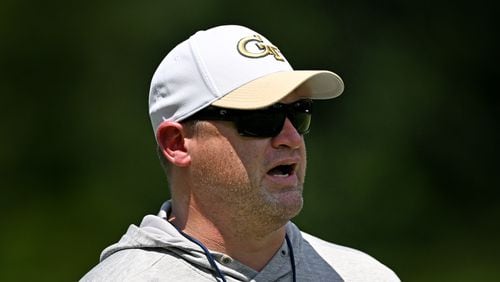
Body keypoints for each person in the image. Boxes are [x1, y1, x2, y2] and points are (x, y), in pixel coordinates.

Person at [81, 25, 399, 282]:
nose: (291, 137)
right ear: (176, 143)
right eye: (261, 118)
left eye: (299, 113)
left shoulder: (365, 275)